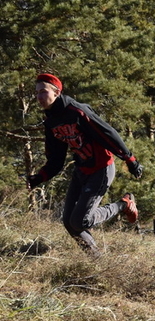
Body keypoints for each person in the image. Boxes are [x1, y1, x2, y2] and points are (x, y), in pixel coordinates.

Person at [29, 73, 143, 255]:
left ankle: (124, 203)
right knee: (69, 223)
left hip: (102, 168)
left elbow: (108, 133)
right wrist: (40, 177)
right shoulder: (51, 122)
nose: (39, 97)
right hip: (81, 170)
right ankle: (96, 259)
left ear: (57, 92)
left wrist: (129, 158)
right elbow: (56, 158)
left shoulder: (77, 111)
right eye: (36, 93)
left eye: (43, 92)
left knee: (80, 221)